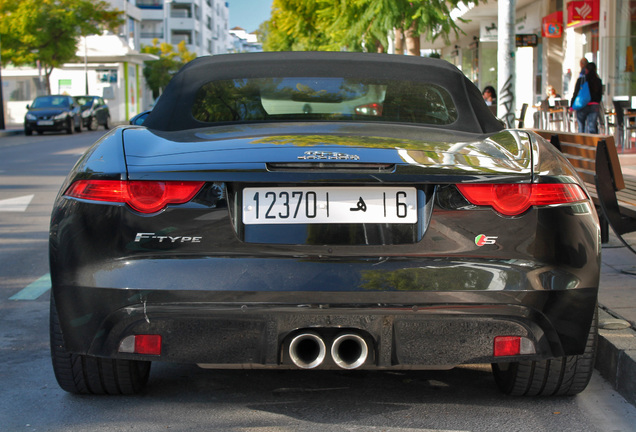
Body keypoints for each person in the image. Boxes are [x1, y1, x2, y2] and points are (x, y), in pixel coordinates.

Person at [571, 62, 602, 134]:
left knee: (581, 126)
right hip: (594, 105)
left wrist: (572, 105)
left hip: (582, 104)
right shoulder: (598, 81)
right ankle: (593, 143)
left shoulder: (581, 80)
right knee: (592, 126)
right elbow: (600, 96)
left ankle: (581, 142)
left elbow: (576, 93)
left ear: (586, 70)